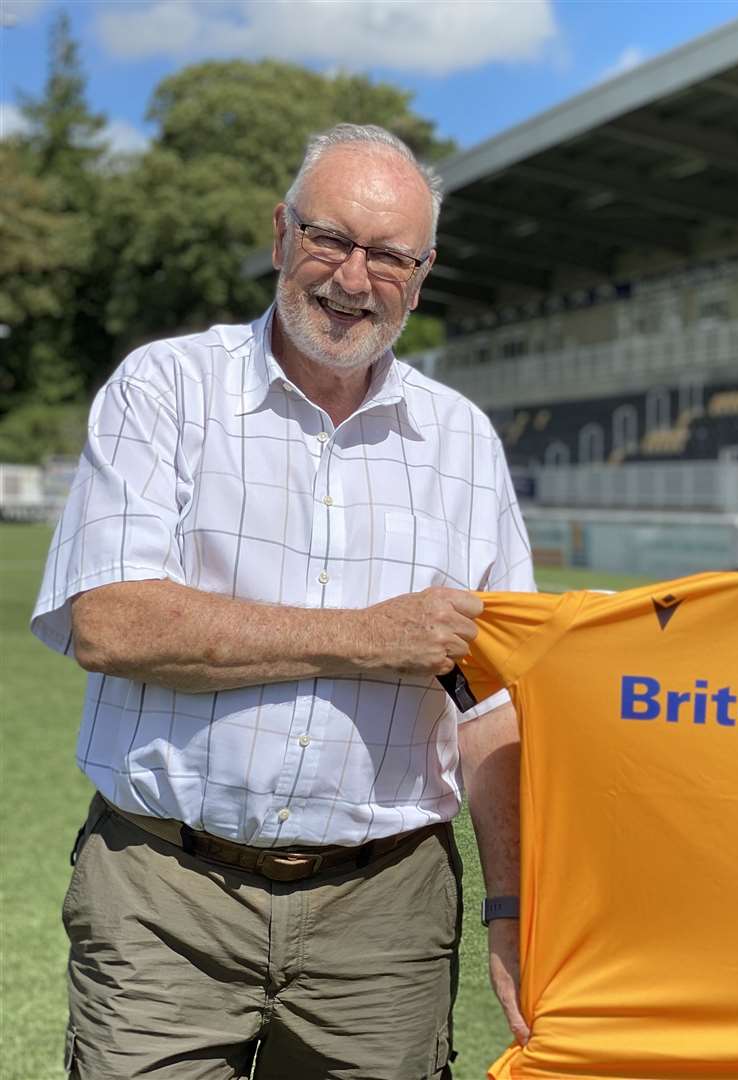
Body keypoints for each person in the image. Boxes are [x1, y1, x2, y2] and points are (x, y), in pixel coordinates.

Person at [32, 123, 534, 1079]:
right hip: (162, 894)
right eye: (329, 239)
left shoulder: (463, 442)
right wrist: (365, 640)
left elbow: (495, 707)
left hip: (385, 914)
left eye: (388, 255)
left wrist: (509, 906)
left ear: (421, 277)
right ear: (280, 235)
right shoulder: (166, 389)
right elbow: (108, 619)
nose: (353, 278)